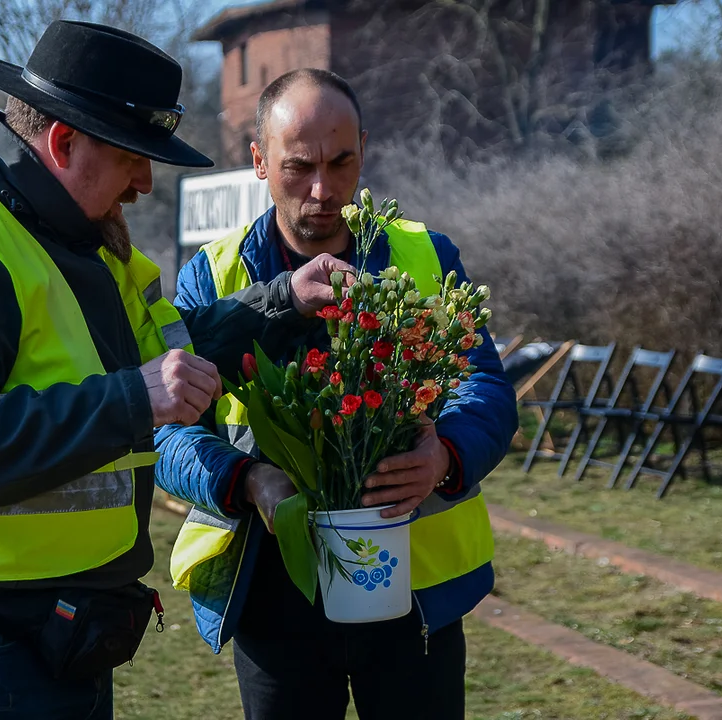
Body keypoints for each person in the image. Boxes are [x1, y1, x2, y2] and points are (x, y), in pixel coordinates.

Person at [0, 23, 352, 719]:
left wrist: (281, 302)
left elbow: (154, 357)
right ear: (62, 143)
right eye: (131, 159)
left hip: (49, 625)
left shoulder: (63, 230)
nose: (144, 183)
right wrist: (129, 401)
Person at [156, 68, 519, 720]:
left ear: (364, 149)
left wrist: (445, 458)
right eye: (298, 167)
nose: (323, 190)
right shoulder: (212, 276)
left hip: (412, 598)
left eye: (341, 162)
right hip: (270, 597)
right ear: (259, 161)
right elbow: (168, 427)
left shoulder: (424, 255)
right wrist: (245, 480)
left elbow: (483, 386)